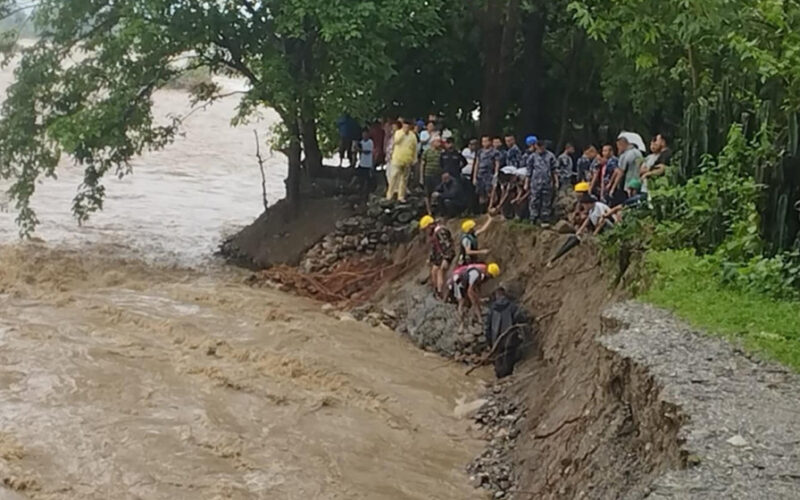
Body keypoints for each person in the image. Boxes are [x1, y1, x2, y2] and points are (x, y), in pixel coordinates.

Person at [485, 285, 528, 378]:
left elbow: (487, 328)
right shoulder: (512, 306)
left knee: (498, 360)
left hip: (496, 339)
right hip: (510, 338)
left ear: (496, 296)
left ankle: (499, 378)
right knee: (509, 360)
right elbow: (521, 318)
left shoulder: (492, 309)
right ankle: (507, 377)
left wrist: (490, 343)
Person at [525, 136, 559, 225]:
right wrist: (526, 183)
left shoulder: (550, 156)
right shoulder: (532, 157)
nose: (540, 148)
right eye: (539, 146)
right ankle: (533, 217)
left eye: (542, 146)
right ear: (536, 146)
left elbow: (554, 170)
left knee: (546, 201)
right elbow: (529, 171)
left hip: (547, 182)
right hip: (535, 183)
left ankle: (545, 218)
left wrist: (556, 182)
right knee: (534, 200)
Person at [420, 215, 455, 299]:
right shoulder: (433, 234)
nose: (426, 231)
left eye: (426, 229)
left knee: (440, 272)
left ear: (430, 226)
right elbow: (434, 248)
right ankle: (436, 289)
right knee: (434, 271)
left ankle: (441, 292)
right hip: (439, 256)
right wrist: (430, 259)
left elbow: (448, 245)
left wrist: (447, 258)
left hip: (446, 255)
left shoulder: (440, 231)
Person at [386, 119, 418, 202]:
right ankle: (390, 195)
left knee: (404, 179)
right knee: (393, 177)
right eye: (405, 126)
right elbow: (396, 141)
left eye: (408, 126)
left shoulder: (413, 136)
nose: (406, 127)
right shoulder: (398, 133)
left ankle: (401, 196)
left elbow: (414, 148)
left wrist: (414, 159)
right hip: (397, 159)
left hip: (407, 160)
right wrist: (403, 133)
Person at [473, 136, 501, 208]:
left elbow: (497, 163)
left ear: (490, 142)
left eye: (486, 141)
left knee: (490, 192)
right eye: (483, 141)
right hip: (480, 174)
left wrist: (496, 174)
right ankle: (484, 208)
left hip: (489, 174)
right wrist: (474, 176)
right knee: (481, 193)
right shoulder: (480, 152)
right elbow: (477, 163)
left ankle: (493, 206)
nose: (484, 143)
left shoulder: (495, 152)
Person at [614, 134, 644, 200]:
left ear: (622, 144)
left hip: (629, 182)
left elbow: (621, 172)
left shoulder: (626, 154)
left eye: (618, 146)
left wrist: (613, 187)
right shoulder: (638, 152)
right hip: (639, 181)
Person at [355, 128, 375, 197]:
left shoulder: (370, 142)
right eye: (363, 134)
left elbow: (368, 151)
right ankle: (360, 190)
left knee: (368, 179)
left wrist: (360, 149)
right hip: (362, 163)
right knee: (360, 178)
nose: (364, 136)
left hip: (368, 164)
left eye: (366, 134)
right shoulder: (361, 142)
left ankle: (367, 191)